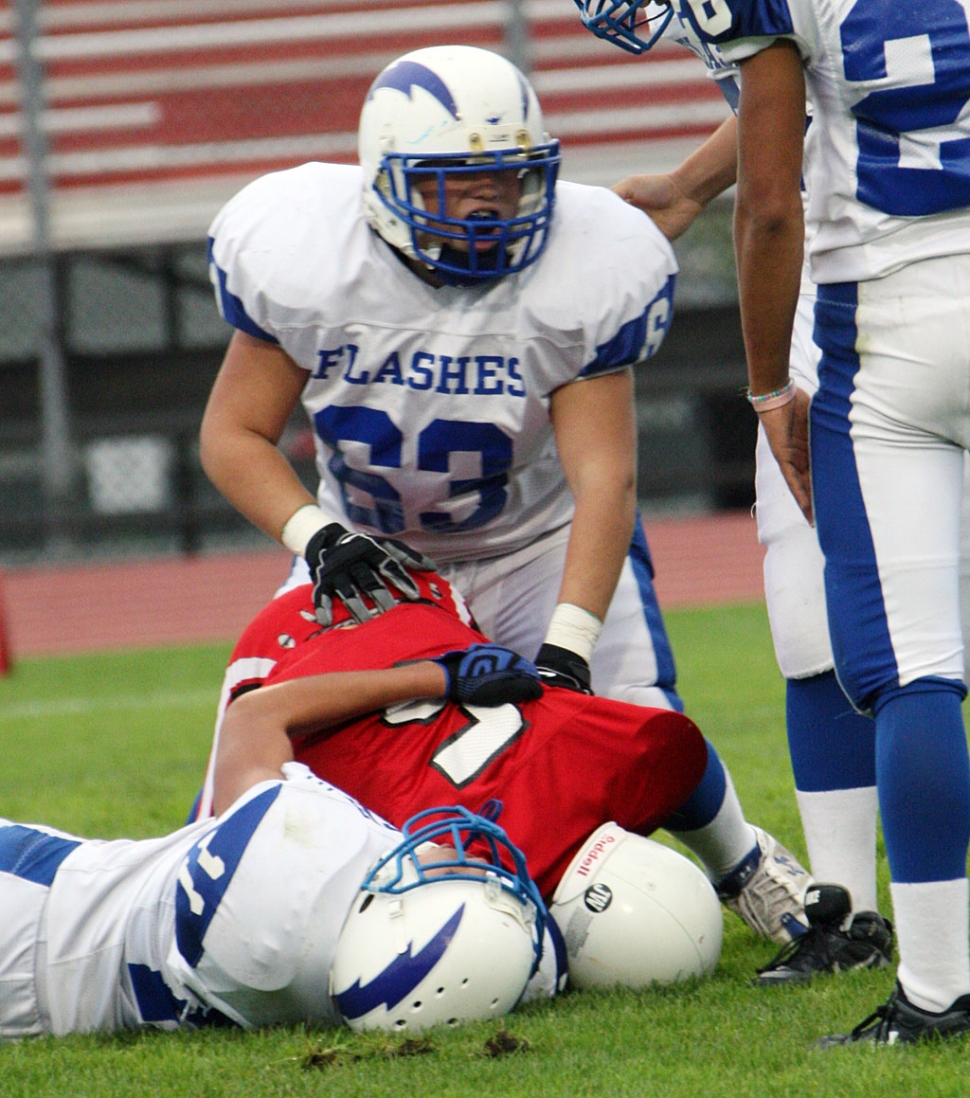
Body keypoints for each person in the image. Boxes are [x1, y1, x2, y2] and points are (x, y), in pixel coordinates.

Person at [200, 42, 811, 946]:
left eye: (509, 180)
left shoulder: (582, 268)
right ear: (385, 182)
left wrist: (569, 642)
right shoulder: (309, 257)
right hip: (370, 553)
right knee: (253, 740)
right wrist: (317, 536)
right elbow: (232, 433)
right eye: (456, 182)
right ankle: (232, 894)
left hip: (536, 537)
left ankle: (746, 865)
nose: (490, 204)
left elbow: (607, 476)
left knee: (635, 723)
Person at [667, 0, 970, 1046]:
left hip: (885, 319)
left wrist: (764, 392)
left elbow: (771, 203)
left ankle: (936, 989)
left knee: (917, 672)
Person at [575, 0, 892, 986]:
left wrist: (764, 386)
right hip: (905, 261)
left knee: (817, 603)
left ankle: (852, 913)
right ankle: (861, 913)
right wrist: (683, 186)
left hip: (864, 275)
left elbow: (780, 177)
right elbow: (801, 103)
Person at [193, 564, 810, 953]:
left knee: (232, 854)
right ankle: (749, 874)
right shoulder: (451, 871)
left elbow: (679, 752)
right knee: (222, 852)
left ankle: (750, 871)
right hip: (317, 649)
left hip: (419, 607)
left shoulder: (475, 862)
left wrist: (442, 675)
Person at [0, 666, 554, 1040]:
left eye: (446, 886)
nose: (457, 865)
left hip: (38, 899)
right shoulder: (336, 986)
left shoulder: (293, 870)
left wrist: (438, 675)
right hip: (53, 982)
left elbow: (253, 715)